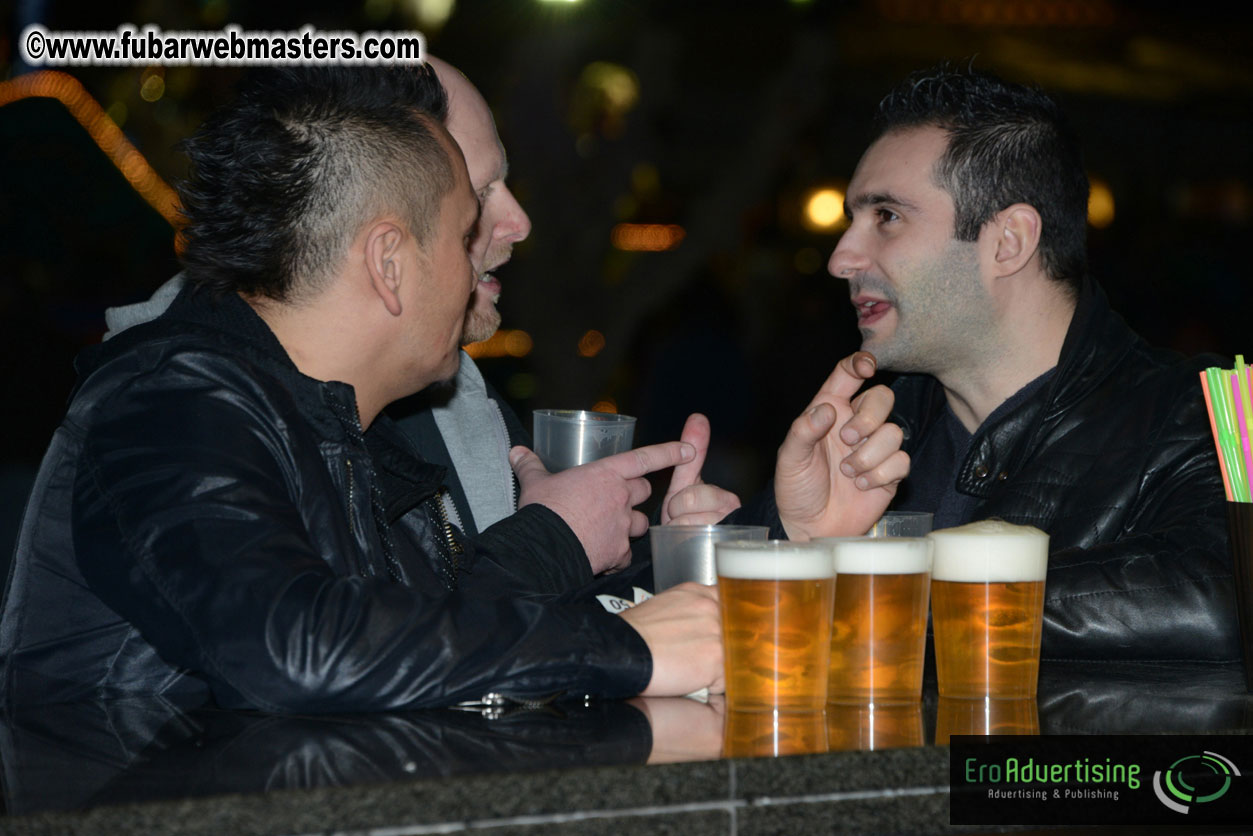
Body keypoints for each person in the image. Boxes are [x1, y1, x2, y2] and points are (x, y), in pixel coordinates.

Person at [0, 65, 905, 713]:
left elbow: (435, 634)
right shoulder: (176, 398)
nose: (493, 245)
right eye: (468, 221)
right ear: (391, 262)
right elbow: (291, 646)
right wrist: (623, 650)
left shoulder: (333, 424)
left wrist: (783, 544)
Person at [102, 57, 740, 584]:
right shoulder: (178, 402)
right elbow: (323, 660)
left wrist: (688, 560)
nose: (516, 223)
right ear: (386, 240)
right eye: (475, 200)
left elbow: (499, 633)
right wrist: (550, 543)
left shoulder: (435, 394)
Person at [827, 63, 1239, 662]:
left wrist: (887, 596)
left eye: (885, 217)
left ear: (1009, 242)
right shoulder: (865, 431)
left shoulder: (1201, 414)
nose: (842, 257)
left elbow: (1220, 599)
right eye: (850, 221)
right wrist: (775, 534)